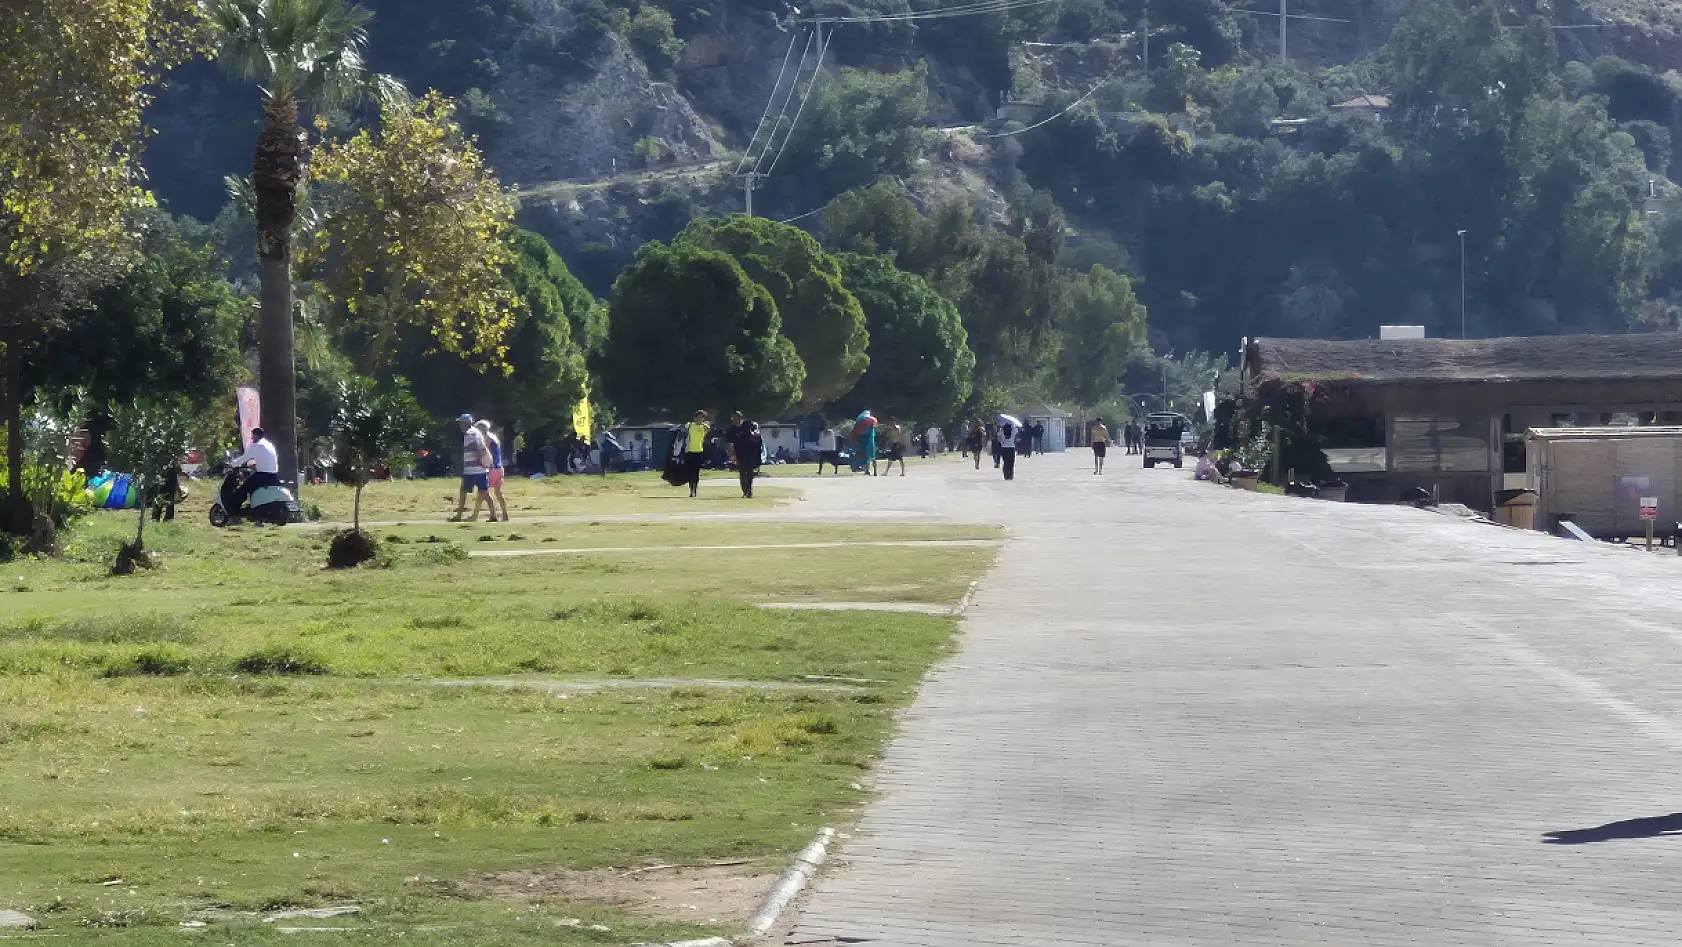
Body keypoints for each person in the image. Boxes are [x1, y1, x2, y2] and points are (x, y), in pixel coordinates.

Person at [450, 414, 497, 522]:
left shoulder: (469, 434)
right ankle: (493, 515)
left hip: (472, 468)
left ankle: (459, 515)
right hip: (479, 468)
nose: (460, 425)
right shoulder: (476, 432)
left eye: (461, 423)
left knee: (463, 491)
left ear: (466, 423)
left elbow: (477, 448)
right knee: (484, 492)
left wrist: (479, 460)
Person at [230, 426, 282, 513]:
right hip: (273, 475)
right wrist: (255, 464)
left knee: (244, 488)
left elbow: (244, 458)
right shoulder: (269, 444)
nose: (251, 438)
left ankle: (233, 509)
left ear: (256, 435)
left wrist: (232, 464)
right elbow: (266, 458)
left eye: (252, 436)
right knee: (252, 488)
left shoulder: (257, 445)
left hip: (262, 476)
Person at [475, 419, 510, 521]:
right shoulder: (494, 438)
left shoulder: (485, 439)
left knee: (483, 492)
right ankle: (505, 514)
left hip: (490, 468)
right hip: (499, 468)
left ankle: (489, 515)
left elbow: (484, 453)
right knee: (498, 493)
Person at [682, 410, 710, 498]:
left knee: (696, 472)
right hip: (689, 451)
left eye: (701, 417)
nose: (699, 419)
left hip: (699, 451)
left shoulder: (704, 427)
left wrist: (702, 423)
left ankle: (694, 489)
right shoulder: (689, 425)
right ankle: (691, 490)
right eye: (698, 417)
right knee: (690, 471)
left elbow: (708, 429)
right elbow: (682, 432)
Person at [734, 420, 764, 498]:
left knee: (743, 474)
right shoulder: (755, 436)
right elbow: (759, 446)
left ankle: (745, 490)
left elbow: (736, 446)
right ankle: (749, 489)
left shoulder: (739, 435)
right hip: (751, 456)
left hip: (742, 457)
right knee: (749, 474)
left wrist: (736, 456)